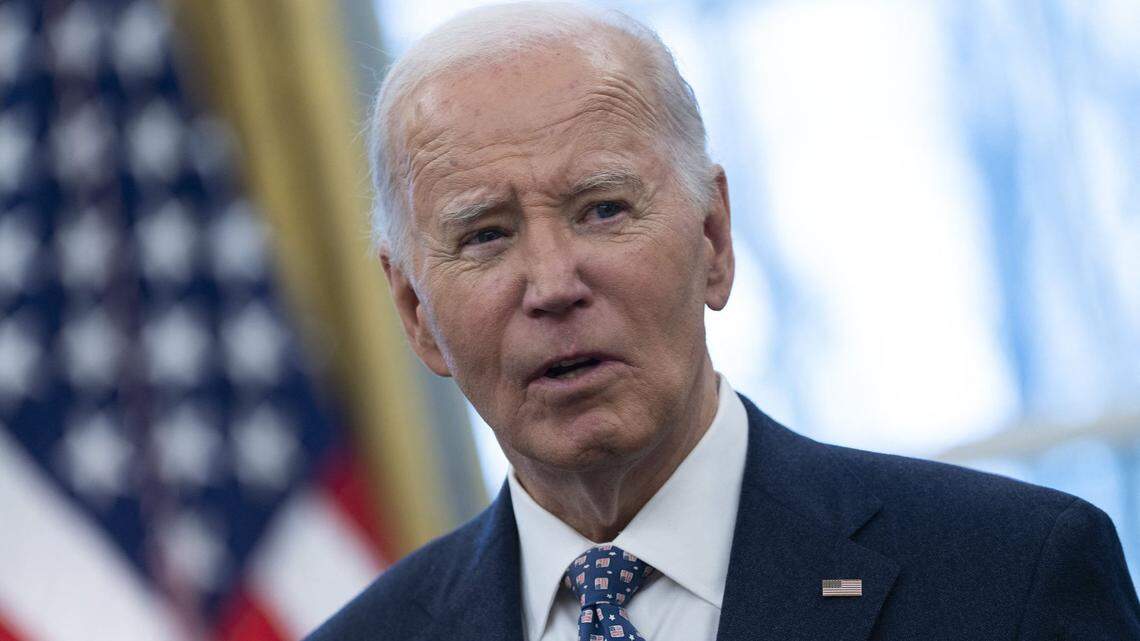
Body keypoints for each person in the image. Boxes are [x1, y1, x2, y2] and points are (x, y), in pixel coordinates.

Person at [307, 3, 1140, 640]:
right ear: (416, 313)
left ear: (712, 240)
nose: (554, 283)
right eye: (485, 235)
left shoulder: (1011, 577)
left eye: (602, 209)